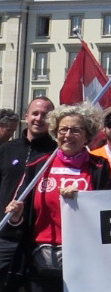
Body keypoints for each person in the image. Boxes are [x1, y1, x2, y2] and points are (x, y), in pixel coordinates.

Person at [3, 103, 111, 292]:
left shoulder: (99, 167)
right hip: (40, 259)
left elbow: (108, 211)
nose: (68, 135)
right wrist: (15, 218)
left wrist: (81, 199)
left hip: (83, 257)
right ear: (55, 132)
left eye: (75, 130)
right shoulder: (38, 166)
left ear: (87, 135)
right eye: (63, 129)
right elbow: (22, 216)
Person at [0, 97, 56, 290]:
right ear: (26, 116)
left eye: (45, 115)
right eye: (35, 113)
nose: (39, 118)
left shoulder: (57, 152)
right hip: (5, 234)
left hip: (38, 239)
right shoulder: (6, 149)